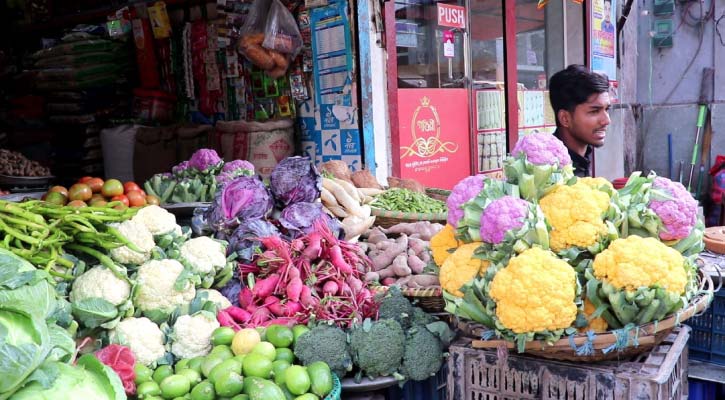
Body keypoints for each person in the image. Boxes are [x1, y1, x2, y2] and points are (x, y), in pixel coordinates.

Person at [548, 64, 611, 177]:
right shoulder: (547, 172)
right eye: (594, 111)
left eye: (607, 109)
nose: (606, 120)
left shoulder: (584, 155)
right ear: (565, 119)